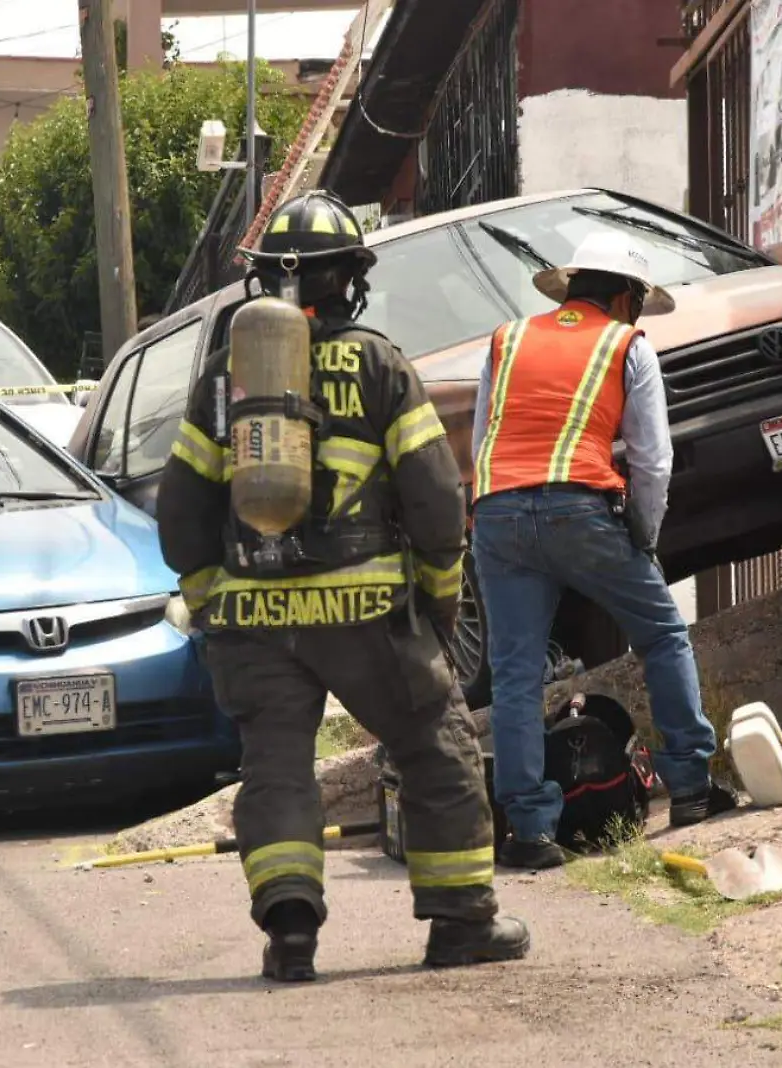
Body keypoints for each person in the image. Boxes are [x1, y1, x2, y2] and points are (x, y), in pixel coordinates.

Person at [156, 191, 529, 982]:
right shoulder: (380, 363)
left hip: (252, 617)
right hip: (366, 611)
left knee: (276, 766)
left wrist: (211, 595)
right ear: (350, 277)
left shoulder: (225, 379)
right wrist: (436, 599)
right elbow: (434, 497)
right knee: (435, 746)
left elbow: (183, 506)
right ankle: (462, 920)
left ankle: (290, 931)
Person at [470, 231, 732, 871]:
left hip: (497, 515)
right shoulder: (625, 345)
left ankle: (529, 832)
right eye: (638, 304)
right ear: (624, 298)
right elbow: (653, 461)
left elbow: (482, 439)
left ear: (572, 285)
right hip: (579, 511)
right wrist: (642, 537)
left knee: (515, 675)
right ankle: (692, 788)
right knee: (664, 635)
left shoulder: (508, 340)